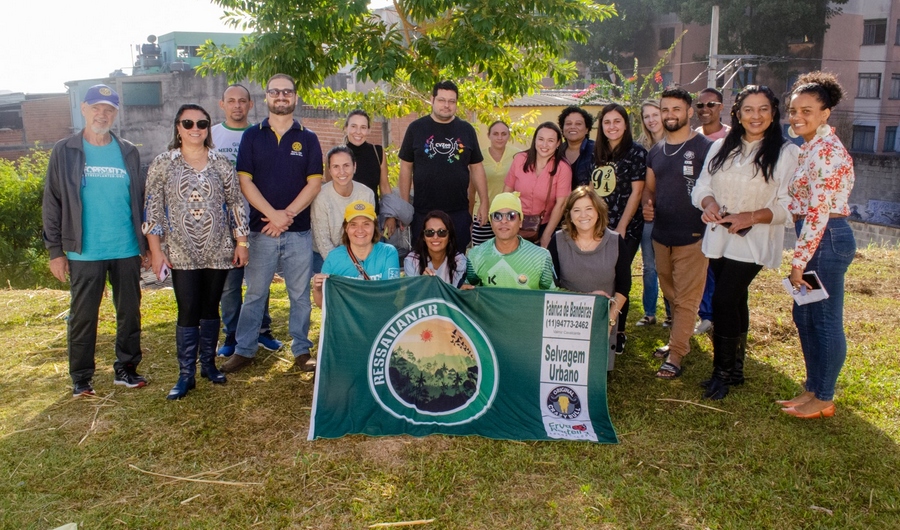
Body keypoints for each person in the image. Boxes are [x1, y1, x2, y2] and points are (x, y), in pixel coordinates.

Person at [692, 86, 799, 400]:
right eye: (749, 110)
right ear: (737, 114)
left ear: (773, 112)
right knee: (736, 300)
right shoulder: (722, 146)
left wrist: (748, 217)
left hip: (753, 240)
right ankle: (735, 369)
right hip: (719, 237)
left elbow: (789, 206)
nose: (756, 116)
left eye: (763, 109)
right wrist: (709, 204)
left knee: (724, 300)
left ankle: (721, 373)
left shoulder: (786, 152)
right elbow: (702, 186)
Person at [42, 84, 148, 396]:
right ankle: (81, 377)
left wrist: (145, 246)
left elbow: (139, 200)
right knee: (83, 316)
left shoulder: (128, 150)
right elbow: (53, 202)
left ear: (116, 114)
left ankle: (126, 369)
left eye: (109, 109)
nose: (102, 114)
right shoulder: (65, 150)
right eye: (96, 108)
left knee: (130, 311)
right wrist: (55, 251)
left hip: (126, 247)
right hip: (84, 250)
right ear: (84, 109)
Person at [144, 104, 250, 399]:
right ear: (177, 128)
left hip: (218, 249)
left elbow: (235, 206)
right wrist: (156, 251)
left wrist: (242, 243)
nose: (195, 129)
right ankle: (186, 373)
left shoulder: (220, 163)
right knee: (188, 309)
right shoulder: (164, 163)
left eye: (201, 123)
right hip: (181, 251)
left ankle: (209, 365)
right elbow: (152, 210)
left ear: (208, 128)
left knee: (211, 307)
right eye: (187, 123)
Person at [221, 73, 323, 374]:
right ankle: (245, 349)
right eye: (275, 92)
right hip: (260, 230)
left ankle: (302, 350)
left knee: (300, 296)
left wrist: (286, 215)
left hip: (299, 232)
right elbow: (245, 181)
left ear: (295, 97)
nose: (281, 97)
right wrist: (273, 215)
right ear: (266, 97)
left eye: (287, 92)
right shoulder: (252, 135)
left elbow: (314, 183)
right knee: (255, 293)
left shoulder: (309, 137)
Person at [779, 72, 856, 419]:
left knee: (823, 319)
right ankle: (812, 388)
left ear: (826, 113)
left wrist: (799, 261)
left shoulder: (826, 151)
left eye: (806, 111)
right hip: (815, 239)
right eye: (793, 111)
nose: (797, 118)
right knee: (804, 314)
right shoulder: (809, 147)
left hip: (826, 240)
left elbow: (818, 211)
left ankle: (824, 395)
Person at [642, 88, 713, 379]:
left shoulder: (705, 147)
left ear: (689, 112)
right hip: (661, 235)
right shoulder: (656, 151)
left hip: (694, 236)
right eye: (665, 110)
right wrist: (648, 202)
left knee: (686, 298)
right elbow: (650, 187)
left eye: (676, 109)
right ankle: (679, 338)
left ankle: (676, 354)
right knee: (671, 293)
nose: (670, 115)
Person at [210, 84, 283, 357]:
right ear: (222, 104)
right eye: (231, 101)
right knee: (230, 284)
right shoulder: (212, 136)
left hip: (258, 220)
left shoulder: (260, 135)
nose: (237, 106)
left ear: (251, 105)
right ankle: (232, 335)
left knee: (258, 282)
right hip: (224, 224)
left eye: (242, 101)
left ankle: (262, 331)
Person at [399, 80, 489, 249]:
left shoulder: (466, 130)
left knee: (457, 265)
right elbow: (405, 167)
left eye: (451, 101)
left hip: (458, 212)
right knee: (423, 266)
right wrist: (404, 207)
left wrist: (484, 202)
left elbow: (476, 167)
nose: (446, 105)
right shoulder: (416, 128)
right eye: (441, 100)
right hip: (423, 213)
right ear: (432, 100)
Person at [548, 186, 630, 370]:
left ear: (598, 211)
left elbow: (624, 287)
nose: (583, 215)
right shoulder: (558, 241)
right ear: (569, 215)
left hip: (603, 319)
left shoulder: (616, 242)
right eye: (576, 210)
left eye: (589, 209)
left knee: (594, 375)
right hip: (566, 319)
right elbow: (550, 285)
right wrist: (583, 300)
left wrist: (609, 321)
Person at [591, 104, 646, 354]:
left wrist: (622, 226)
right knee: (602, 276)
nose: (612, 126)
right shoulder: (596, 153)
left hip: (626, 227)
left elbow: (637, 191)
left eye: (617, 121)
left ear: (626, 124)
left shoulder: (636, 153)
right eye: (607, 122)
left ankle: (619, 331)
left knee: (620, 277)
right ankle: (598, 328)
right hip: (597, 226)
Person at [693, 88, 731, 335]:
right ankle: (706, 315)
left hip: (726, 214)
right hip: (698, 208)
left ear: (721, 107)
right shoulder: (693, 137)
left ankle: (723, 315)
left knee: (723, 268)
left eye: (711, 104)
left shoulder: (731, 137)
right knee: (702, 265)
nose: (705, 109)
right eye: (700, 105)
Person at [313, 201, 400, 307]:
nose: (360, 230)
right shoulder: (334, 257)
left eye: (366, 224)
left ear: (375, 226)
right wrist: (317, 290)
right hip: (347, 321)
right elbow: (324, 306)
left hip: (380, 318)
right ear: (346, 228)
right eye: (353, 225)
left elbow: (391, 294)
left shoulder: (388, 253)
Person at [464, 192, 556, 290]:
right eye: (497, 216)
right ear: (491, 222)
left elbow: (551, 297)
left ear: (520, 221)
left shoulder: (541, 257)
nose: (503, 221)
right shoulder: (476, 255)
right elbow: (469, 291)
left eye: (511, 216)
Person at [502, 122, 572, 248]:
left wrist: (546, 235)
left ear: (557, 144)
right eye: (541, 139)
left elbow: (561, 204)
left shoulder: (563, 168)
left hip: (544, 226)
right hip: (514, 224)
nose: (544, 145)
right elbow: (506, 192)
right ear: (535, 140)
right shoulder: (520, 159)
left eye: (550, 140)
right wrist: (504, 223)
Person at [636, 100, 671, 328]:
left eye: (655, 114)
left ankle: (672, 313)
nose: (651, 120)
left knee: (670, 267)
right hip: (648, 212)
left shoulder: (677, 142)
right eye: (646, 116)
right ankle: (649, 313)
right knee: (650, 266)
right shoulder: (640, 147)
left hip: (672, 214)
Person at [312, 145, 376, 265]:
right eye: (336, 166)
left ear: (354, 166)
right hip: (324, 256)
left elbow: (369, 232)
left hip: (359, 252)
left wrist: (359, 261)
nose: (342, 172)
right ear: (329, 170)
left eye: (346, 165)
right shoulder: (321, 197)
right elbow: (323, 241)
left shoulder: (366, 194)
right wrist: (344, 266)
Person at [342, 110, 397, 237]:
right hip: (345, 221)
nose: (358, 132)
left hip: (373, 221)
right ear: (346, 128)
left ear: (368, 130)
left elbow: (384, 187)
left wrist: (390, 215)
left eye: (363, 127)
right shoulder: (336, 154)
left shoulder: (377, 152)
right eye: (353, 126)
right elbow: (331, 190)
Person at [471, 120, 516, 246]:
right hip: (482, 213)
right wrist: (469, 217)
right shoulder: (478, 157)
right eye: (495, 134)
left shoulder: (518, 155)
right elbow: (471, 189)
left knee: (507, 254)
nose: (500, 137)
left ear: (509, 136)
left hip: (508, 215)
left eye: (504, 134)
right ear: (489, 135)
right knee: (482, 254)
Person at [404, 210, 467, 287]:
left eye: (441, 232)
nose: (435, 237)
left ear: (449, 236)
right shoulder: (412, 261)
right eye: (429, 232)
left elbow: (456, 294)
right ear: (423, 237)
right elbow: (412, 295)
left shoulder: (459, 261)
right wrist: (422, 284)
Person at [558, 106, 595, 189]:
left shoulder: (597, 150)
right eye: (568, 123)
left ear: (587, 129)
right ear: (562, 129)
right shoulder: (556, 152)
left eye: (578, 124)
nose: (572, 127)